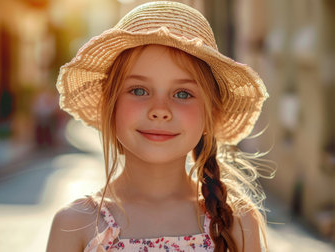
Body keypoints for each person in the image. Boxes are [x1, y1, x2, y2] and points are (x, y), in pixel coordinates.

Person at [47, 1, 273, 251]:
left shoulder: (236, 222)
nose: (160, 110)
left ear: (210, 115)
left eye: (183, 94)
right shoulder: (76, 225)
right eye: (139, 90)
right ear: (110, 106)